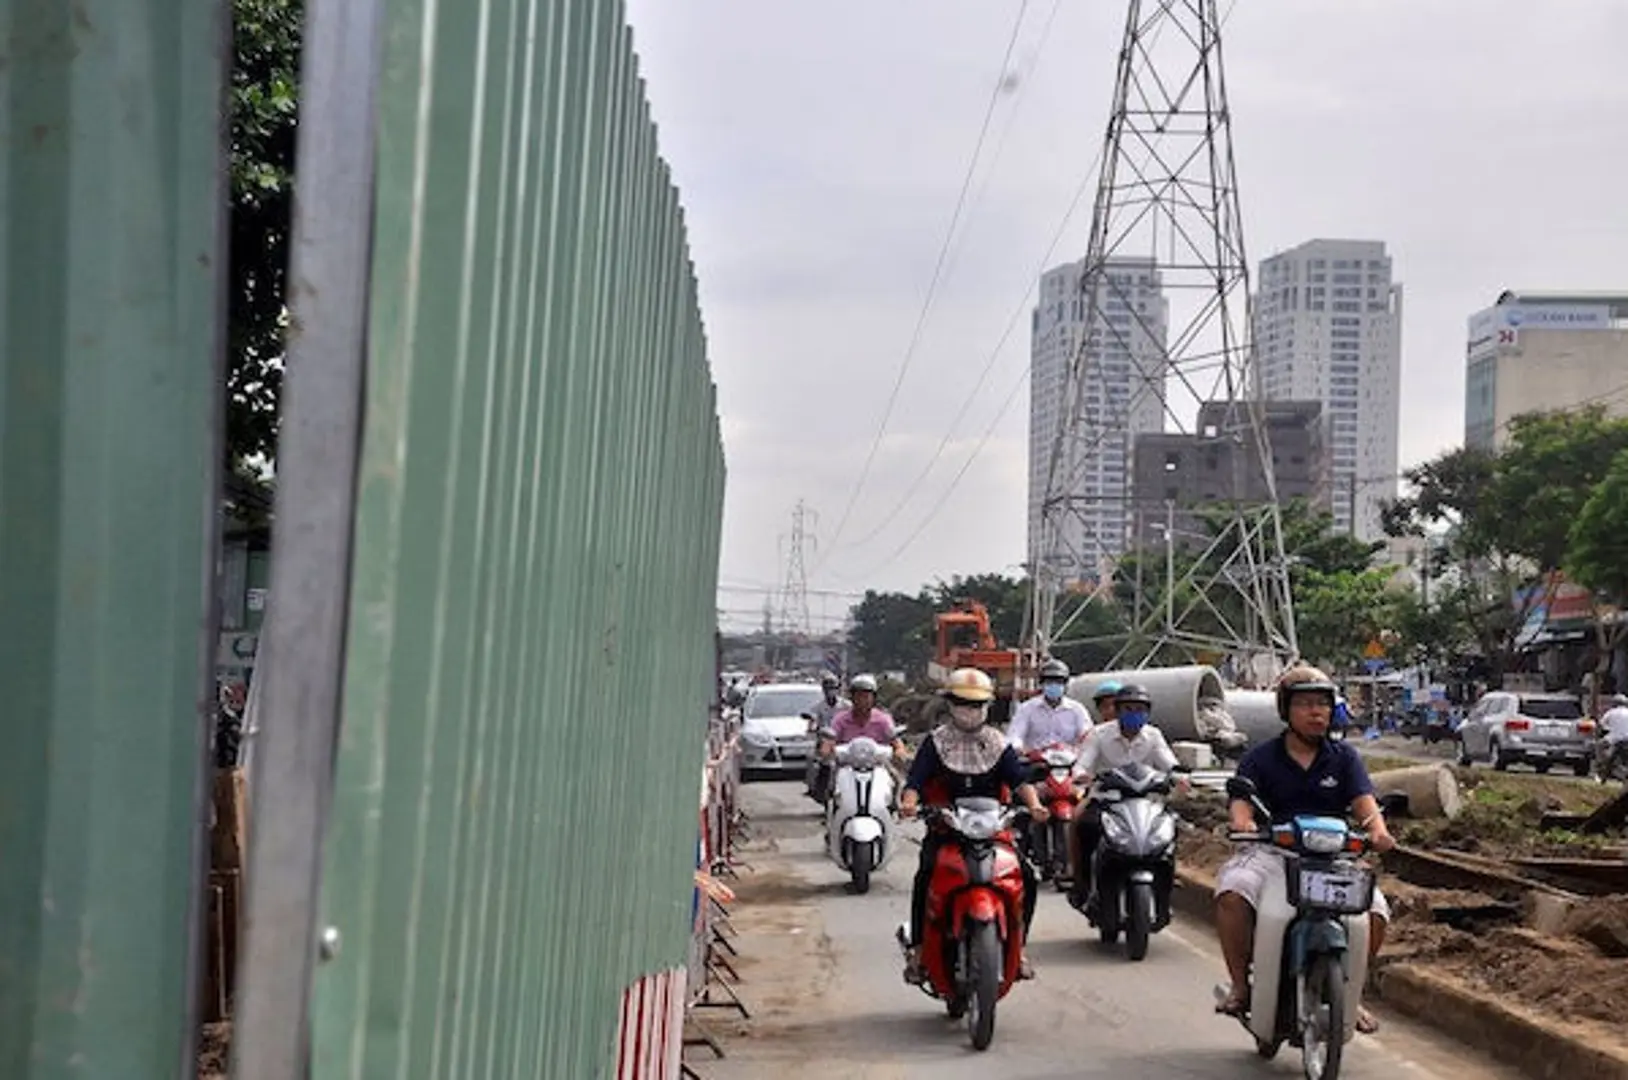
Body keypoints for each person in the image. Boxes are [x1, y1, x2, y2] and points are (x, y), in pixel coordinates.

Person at [1213, 664, 1397, 1034]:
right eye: (1306, 704)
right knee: (1232, 892)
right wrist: (1243, 823)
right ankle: (1240, 985)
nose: (1317, 712)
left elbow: (1364, 803)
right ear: (1286, 710)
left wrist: (1378, 831)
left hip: (1333, 857)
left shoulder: (1344, 758)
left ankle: (1352, 995)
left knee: (1375, 911)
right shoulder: (1261, 757)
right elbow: (1241, 799)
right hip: (1273, 853)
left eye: (1323, 705)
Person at [900, 667, 1047, 981]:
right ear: (950, 705)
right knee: (926, 877)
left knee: (1028, 877)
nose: (971, 711)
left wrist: (1034, 805)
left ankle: (1019, 948)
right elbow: (915, 779)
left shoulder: (997, 742)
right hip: (947, 828)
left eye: (977, 704)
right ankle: (918, 949)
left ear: (988, 707)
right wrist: (910, 802)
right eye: (964, 704)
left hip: (993, 828)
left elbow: (1019, 781)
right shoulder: (937, 742)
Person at [1067, 683, 1183, 910]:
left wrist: (1179, 776)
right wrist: (1081, 776)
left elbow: (1169, 763)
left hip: (1146, 802)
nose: (1134, 715)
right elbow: (1083, 764)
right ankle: (1081, 880)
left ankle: (1168, 873)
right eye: (1128, 709)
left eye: (1139, 709)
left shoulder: (1154, 735)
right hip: (1105, 800)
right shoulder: (1099, 735)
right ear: (1117, 710)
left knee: (1171, 827)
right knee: (1080, 822)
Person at [811, 674, 902, 802]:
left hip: (877, 765)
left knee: (896, 779)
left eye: (866, 696)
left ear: (873, 698)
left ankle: (893, 808)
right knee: (830, 782)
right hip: (847, 766)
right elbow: (830, 738)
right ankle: (831, 812)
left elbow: (895, 740)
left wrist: (899, 751)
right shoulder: (840, 719)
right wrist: (826, 749)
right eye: (858, 696)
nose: (862, 700)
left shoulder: (883, 719)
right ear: (852, 698)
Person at [1006, 658, 1093, 752]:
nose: (1053, 685)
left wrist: (1078, 748)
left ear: (1065, 685)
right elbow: (1015, 734)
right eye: (1049, 682)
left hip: (1068, 760)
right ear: (1042, 684)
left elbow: (1087, 735)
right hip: (1034, 761)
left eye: (1058, 682)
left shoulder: (1077, 710)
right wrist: (1017, 747)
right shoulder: (1027, 709)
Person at [803, 673, 851, 798]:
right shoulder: (819, 707)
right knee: (821, 762)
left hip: (844, 740)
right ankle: (818, 787)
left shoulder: (846, 706)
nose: (831, 692)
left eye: (833, 688)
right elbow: (813, 721)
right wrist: (812, 727)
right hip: (826, 741)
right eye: (827, 689)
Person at [1598, 693, 1628, 777]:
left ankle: (1601, 763)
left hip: (1614, 739)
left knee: (1599, 745)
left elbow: (1600, 725)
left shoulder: (1611, 712)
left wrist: (1599, 733)